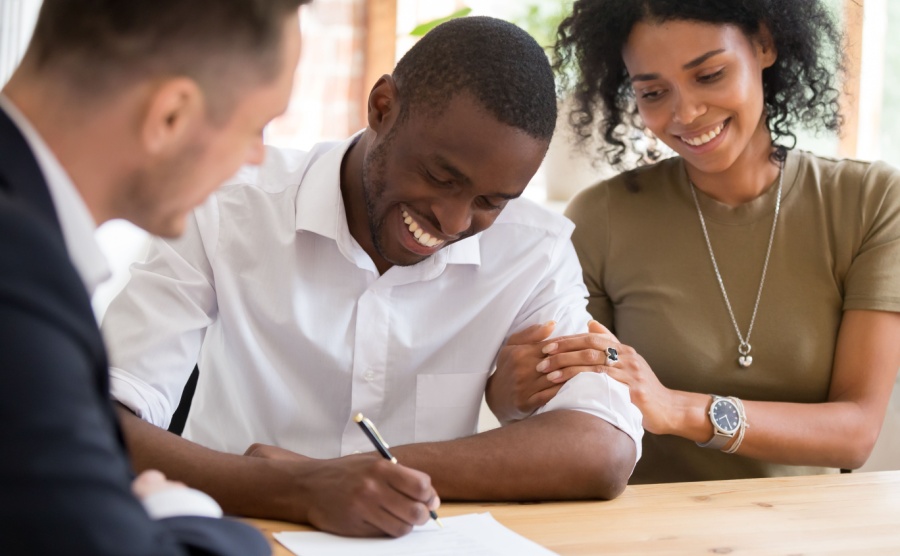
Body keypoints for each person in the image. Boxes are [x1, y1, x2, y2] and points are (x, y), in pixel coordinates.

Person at [100, 16, 644, 537]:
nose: (454, 222)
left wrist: (342, 475)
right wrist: (292, 490)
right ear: (383, 107)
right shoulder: (226, 208)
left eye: (489, 202)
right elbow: (102, 420)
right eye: (439, 176)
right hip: (236, 534)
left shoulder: (533, 252)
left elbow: (603, 448)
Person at [497, 0, 900, 484]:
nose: (684, 113)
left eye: (709, 75)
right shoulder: (603, 218)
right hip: (643, 530)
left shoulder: (870, 201)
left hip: (806, 532)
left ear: (765, 45)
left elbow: (855, 432)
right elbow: (569, 412)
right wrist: (508, 389)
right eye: (652, 92)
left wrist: (679, 409)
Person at [0, 0, 310, 553]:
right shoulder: (20, 276)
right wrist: (183, 512)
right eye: (255, 127)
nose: (259, 158)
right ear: (170, 116)